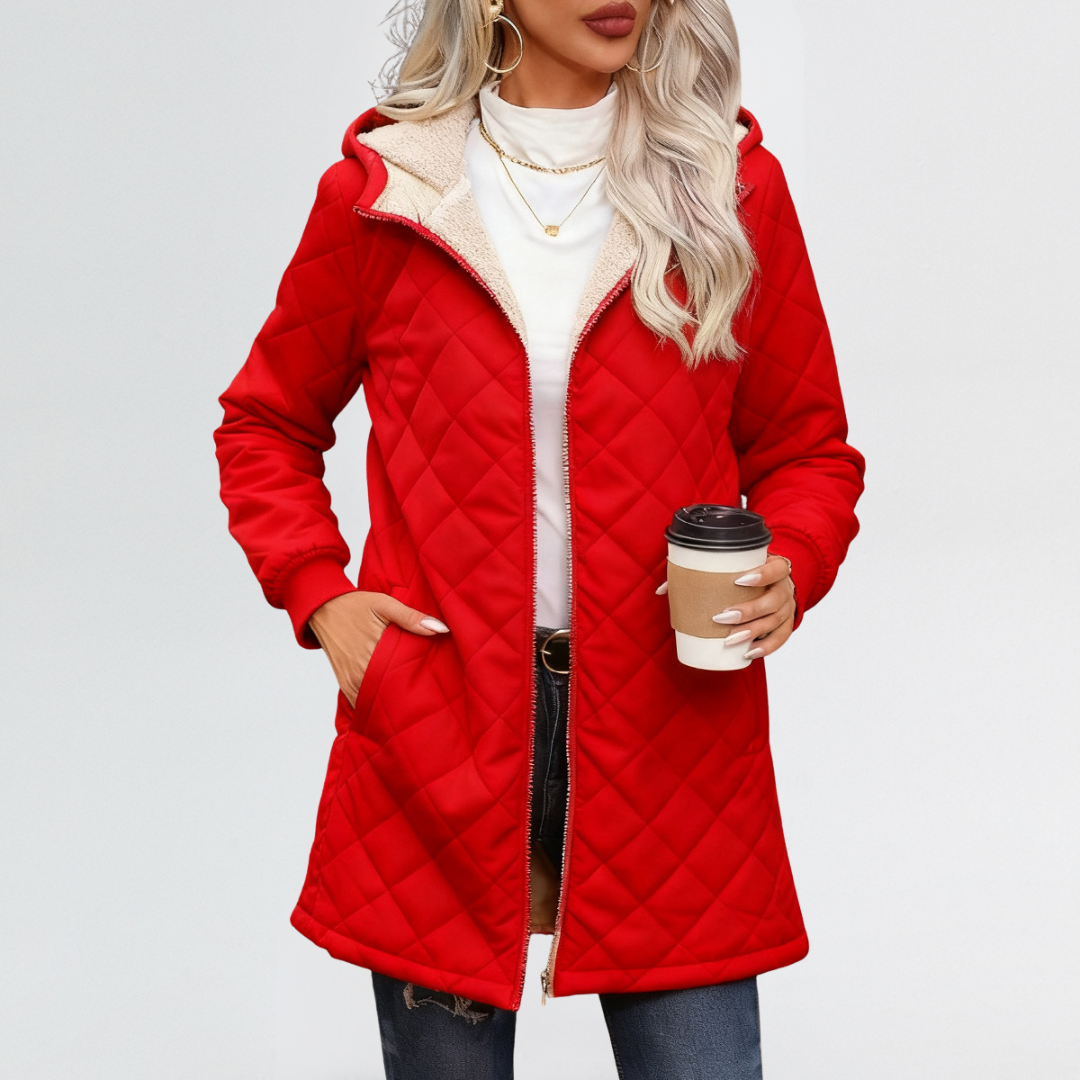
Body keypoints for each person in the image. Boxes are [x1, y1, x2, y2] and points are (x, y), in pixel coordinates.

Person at [214, 0, 865, 1075]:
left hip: (673, 734)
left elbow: (807, 445)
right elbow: (265, 423)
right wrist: (321, 598)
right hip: (442, 728)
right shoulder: (388, 195)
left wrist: (792, 562)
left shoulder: (728, 188)